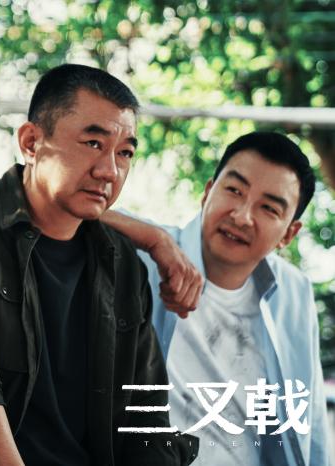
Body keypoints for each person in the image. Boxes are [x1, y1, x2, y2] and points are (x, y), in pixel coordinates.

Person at [0, 64, 198, 466]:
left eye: (125, 153)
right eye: (93, 143)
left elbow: (146, 421)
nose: (110, 170)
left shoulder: (123, 264)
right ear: (31, 142)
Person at [102, 132, 330, 466]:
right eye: (234, 190)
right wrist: (155, 240)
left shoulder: (294, 292)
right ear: (208, 192)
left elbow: (312, 420)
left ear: (289, 234)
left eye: (268, 208)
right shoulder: (145, 253)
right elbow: (57, 205)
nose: (241, 216)